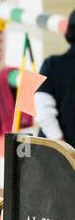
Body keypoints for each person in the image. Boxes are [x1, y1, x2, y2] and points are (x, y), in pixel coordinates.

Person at [35, 11, 75, 143]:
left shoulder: (51, 65)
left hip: (53, 154)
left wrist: (60, 145)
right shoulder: (52, 65)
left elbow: (44, 112)